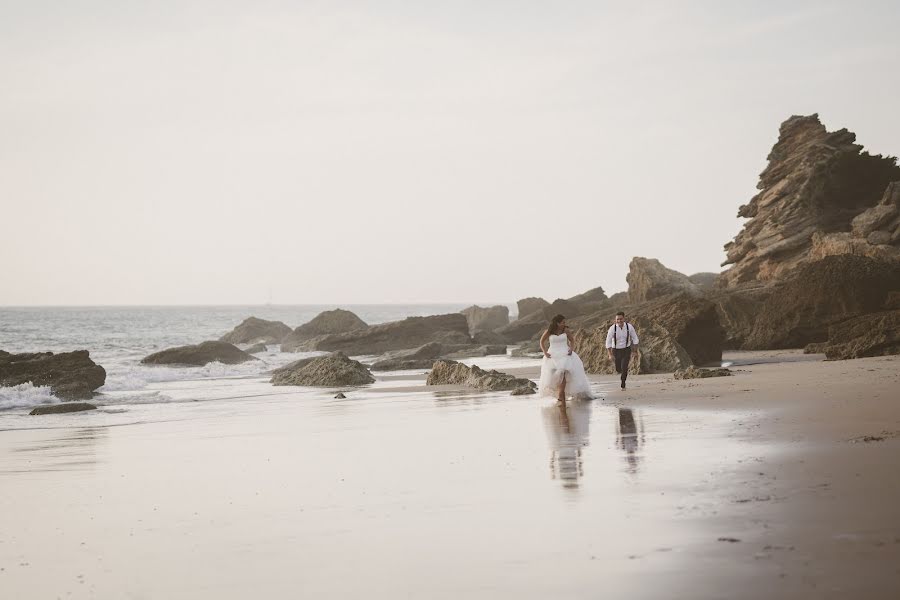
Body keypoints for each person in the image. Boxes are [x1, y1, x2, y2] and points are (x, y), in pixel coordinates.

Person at [538, 314, 593, 403]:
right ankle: (558, 393)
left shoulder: (566, 330)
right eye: (563, 322)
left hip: (565, 353)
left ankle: (561, 393)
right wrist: (545, 352)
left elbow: (572, 340)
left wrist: (571, 349)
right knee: (554, 375)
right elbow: (541, 341)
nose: (564, 323)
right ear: (557, 323)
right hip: (552, 355)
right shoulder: (549, 331)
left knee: (563, 373)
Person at [605, 311, 639, 390]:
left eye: (621, 319)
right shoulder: (612, 328)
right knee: (618, 369)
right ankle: (621, 373)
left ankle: (623, 383)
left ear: (624, 318)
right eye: (617, 319)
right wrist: (610, 354)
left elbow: (635, 338)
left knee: (624, 367)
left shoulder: (629, 327)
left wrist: (634, 350)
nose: (619, 321)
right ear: (615, 320)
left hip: (626, 350)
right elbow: (608, 341)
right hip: (615, 350)